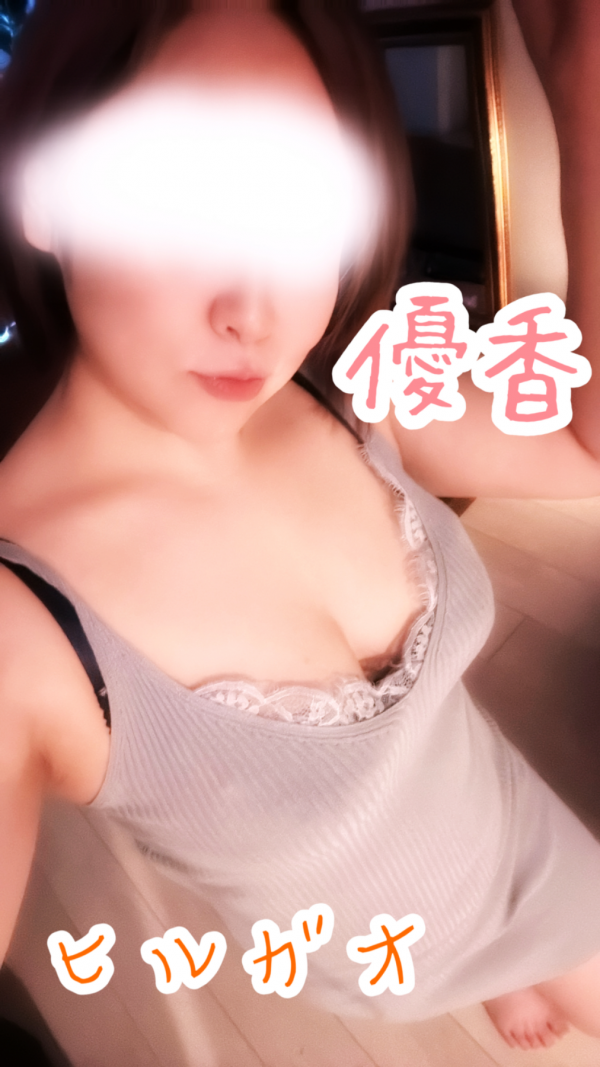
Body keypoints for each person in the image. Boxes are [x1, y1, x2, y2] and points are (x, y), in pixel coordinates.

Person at [1, 0, 600, 1054]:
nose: (255, 309)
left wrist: (586, 77)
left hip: (525, 830)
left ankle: (516, 971)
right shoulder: (23, 623)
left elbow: (586, 446)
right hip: (383, 948)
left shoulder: (337, 384)